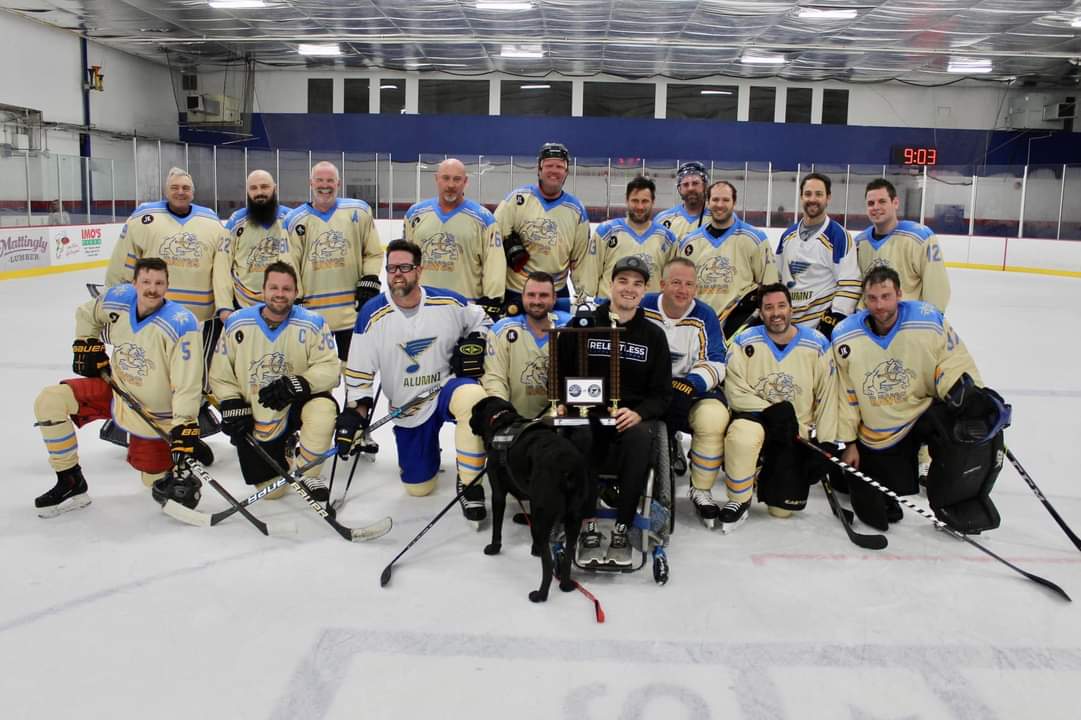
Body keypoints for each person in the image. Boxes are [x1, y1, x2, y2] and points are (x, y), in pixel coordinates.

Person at [832, 267, 1009, 533]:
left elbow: (951, 359)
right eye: (872, 298)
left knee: (969, 423)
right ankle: (862, 481)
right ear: (864, 300)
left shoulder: (927, 321)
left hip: (924, 409)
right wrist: (850, 442)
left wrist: (963, 391)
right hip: (881, 430)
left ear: (899, 294)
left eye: (886, 296)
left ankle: (957, 502)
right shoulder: (846, 337)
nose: (879, 305)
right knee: (876, 514)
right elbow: (846, 396)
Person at [33, 258, 205, 517]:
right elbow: (86, 313)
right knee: (50, 401)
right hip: (116, 393)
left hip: (153, 416)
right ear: (134, 283)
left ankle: (178, 456)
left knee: (154, 483)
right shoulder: (119, 299)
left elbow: (187, 385)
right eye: (146, 281)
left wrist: (185, 426)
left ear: (168, 285)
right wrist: (86, 342)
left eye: (159, 283)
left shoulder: (182, 324)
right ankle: (71, 482)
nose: (152, 289)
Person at [336, 239, 492, 524]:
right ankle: (428, 454)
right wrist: (355, 413)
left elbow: (483, 321)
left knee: (472, 398)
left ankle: (470, 483)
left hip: (446, 389)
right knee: (418, 488)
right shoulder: (371, 315)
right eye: (392, 267)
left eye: (405, 267)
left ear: (419, 270)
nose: (397, 273)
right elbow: (359, 373)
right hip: (409, 408)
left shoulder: (448, 302)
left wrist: (474, 342)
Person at [558, 255, 671, 566]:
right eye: (623, 281)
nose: (629, 289)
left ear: (645, 290)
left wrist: (640, 413)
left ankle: (623, 526)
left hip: (629, 416)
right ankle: (587, 523)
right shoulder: (584, 324)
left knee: (638, 437)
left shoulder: (653, 336)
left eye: (637, 284)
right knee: (579, 435)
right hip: (588, 413)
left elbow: (662, 394)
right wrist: (565, 400)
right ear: (611, 284)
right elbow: (559, 369)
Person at [103, 166, 226, 443]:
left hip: (198, 320)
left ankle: (186, 430)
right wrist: (114, 303)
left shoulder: (211, 221)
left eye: (185, 188)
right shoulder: (144, 218)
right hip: (153, 318)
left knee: (194, 378)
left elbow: (221, 270)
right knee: (151, 375)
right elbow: (124, 265)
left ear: (193, 192)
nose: (180, 192)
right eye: (175, 187)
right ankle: (138, 429)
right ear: (166, 190)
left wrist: (223, 306)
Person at [209, 261, 340, 505]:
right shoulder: (237, 323)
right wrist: (232, 402)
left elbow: (331, 369)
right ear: (263, 290)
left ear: (296, 292)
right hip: (258, 411)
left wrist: (299, 382)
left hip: (297, 405)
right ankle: (287, 451)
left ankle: (308, 472)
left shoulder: (313, 323)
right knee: (272, 492)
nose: (280, 294)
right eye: (274, 288)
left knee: (323, 410)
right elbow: (220, 374)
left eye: (287, 289)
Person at [721, 283, 837, 532]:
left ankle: (763, 472)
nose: (776, 313)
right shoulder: (744, 341)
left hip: (794, 433)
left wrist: (826, 444)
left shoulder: (817, 344)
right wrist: (769, 411)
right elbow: (734, 390)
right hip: (754, 422)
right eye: (769, 307)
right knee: (742, 435)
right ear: (761, 313)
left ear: (791, 309)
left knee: (782, 510)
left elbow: (829, 396)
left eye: (781, 306)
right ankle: (738, 500)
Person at [641, 258, 730, 527]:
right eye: (676, 282)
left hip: (687, 390)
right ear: (662, 284)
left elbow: (716, 360)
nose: (683, 290)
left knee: (713, 418)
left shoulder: (705, 315)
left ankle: (701, 489)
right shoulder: (642, 307)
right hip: (647, 389)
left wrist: (690, 383)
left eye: (689, 284)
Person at [284, 161, 383, 361]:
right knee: (319, 374)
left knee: (355, 371)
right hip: (313, 316)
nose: (325, 185)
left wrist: (370, 277)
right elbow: (289, 263)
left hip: (351, 312)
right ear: (310, 183)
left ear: (338, 184)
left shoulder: (359, 212)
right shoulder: (295, 220)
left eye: (330, 180)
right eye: (319, 180)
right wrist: (296, 299)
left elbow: (373, 252)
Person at [494, 142, 591, 314]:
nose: (554, 170)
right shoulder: (517, 200)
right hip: (517, 290)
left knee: (557, 340)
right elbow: (492, 242)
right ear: (539, 169)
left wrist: (585, 299)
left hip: (556, 293)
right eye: (549, 165)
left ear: (566, 172)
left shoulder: (576, 210)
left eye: (560, 166)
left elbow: (580, 261)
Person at [403, 158, 505, 320]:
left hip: (465, 309)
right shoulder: (415, 214)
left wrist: (493, 299)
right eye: (446, 178)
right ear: (437, 179)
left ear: (465, 182)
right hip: (423, 308)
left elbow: (495, 264)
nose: (451, 184)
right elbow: (405, 260)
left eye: (457, 179)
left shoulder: (483, 219)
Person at [678, 180, 777, 338]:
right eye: (715, 200)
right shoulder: (689, 242)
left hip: (739, 327)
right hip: (698, 325)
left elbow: (770, 286)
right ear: (708, 203)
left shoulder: (755, 239)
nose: (720, 204)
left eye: (725, 200)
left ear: (734, 202)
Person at [776, 172, 861, 339]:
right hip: (787, 330)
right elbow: (777, 279)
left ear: (828, 198)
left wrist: (831, 322)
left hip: (820, 333)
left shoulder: (838, 236)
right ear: (801, 197)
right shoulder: (787, 236)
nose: (812, 199)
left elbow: (850, 285)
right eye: (808, 194)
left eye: (819, 194)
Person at [482, 271, 571, 419]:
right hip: (515, 423)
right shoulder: (501, 330)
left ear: (555, 298)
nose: (536, 301)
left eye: (543, 295)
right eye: (531, 295)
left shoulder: (570, 327)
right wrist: (502, 415)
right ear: (522, 297)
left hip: (560, 421)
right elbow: (495, 379)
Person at [856, 178, 950, 312]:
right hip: (870, 324)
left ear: (895, 203)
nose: (876, 207)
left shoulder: (921, 238)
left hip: (908, 325)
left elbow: (937, 288)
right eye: (871, 203)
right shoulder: (860, 243)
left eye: (882, 201)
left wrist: (929, 322)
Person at [214, 170, 291, 323]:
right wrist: (224, 307)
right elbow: (221, 266)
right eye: (253, 188)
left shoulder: (291, 220)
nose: (259, 192)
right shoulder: (235, 222)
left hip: (285, 307)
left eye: (264, 187)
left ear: (275, 188)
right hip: (243, 307)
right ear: (247, 191)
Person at [583, 175, 678, 298]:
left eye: (645, 201)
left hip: (648, 311)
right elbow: (590, 275)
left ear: (653, 202)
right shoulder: (606, 232)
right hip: (609, 310)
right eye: (635, 201)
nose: (640, 207)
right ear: (626, 200)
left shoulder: (667, 239)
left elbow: (670, 281)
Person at [656, 161, 710, 242]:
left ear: (705, 186)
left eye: (695, 183)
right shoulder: (662, 220)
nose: (690, 188)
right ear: (679, 189)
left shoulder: (717, 218)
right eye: (685, 184)